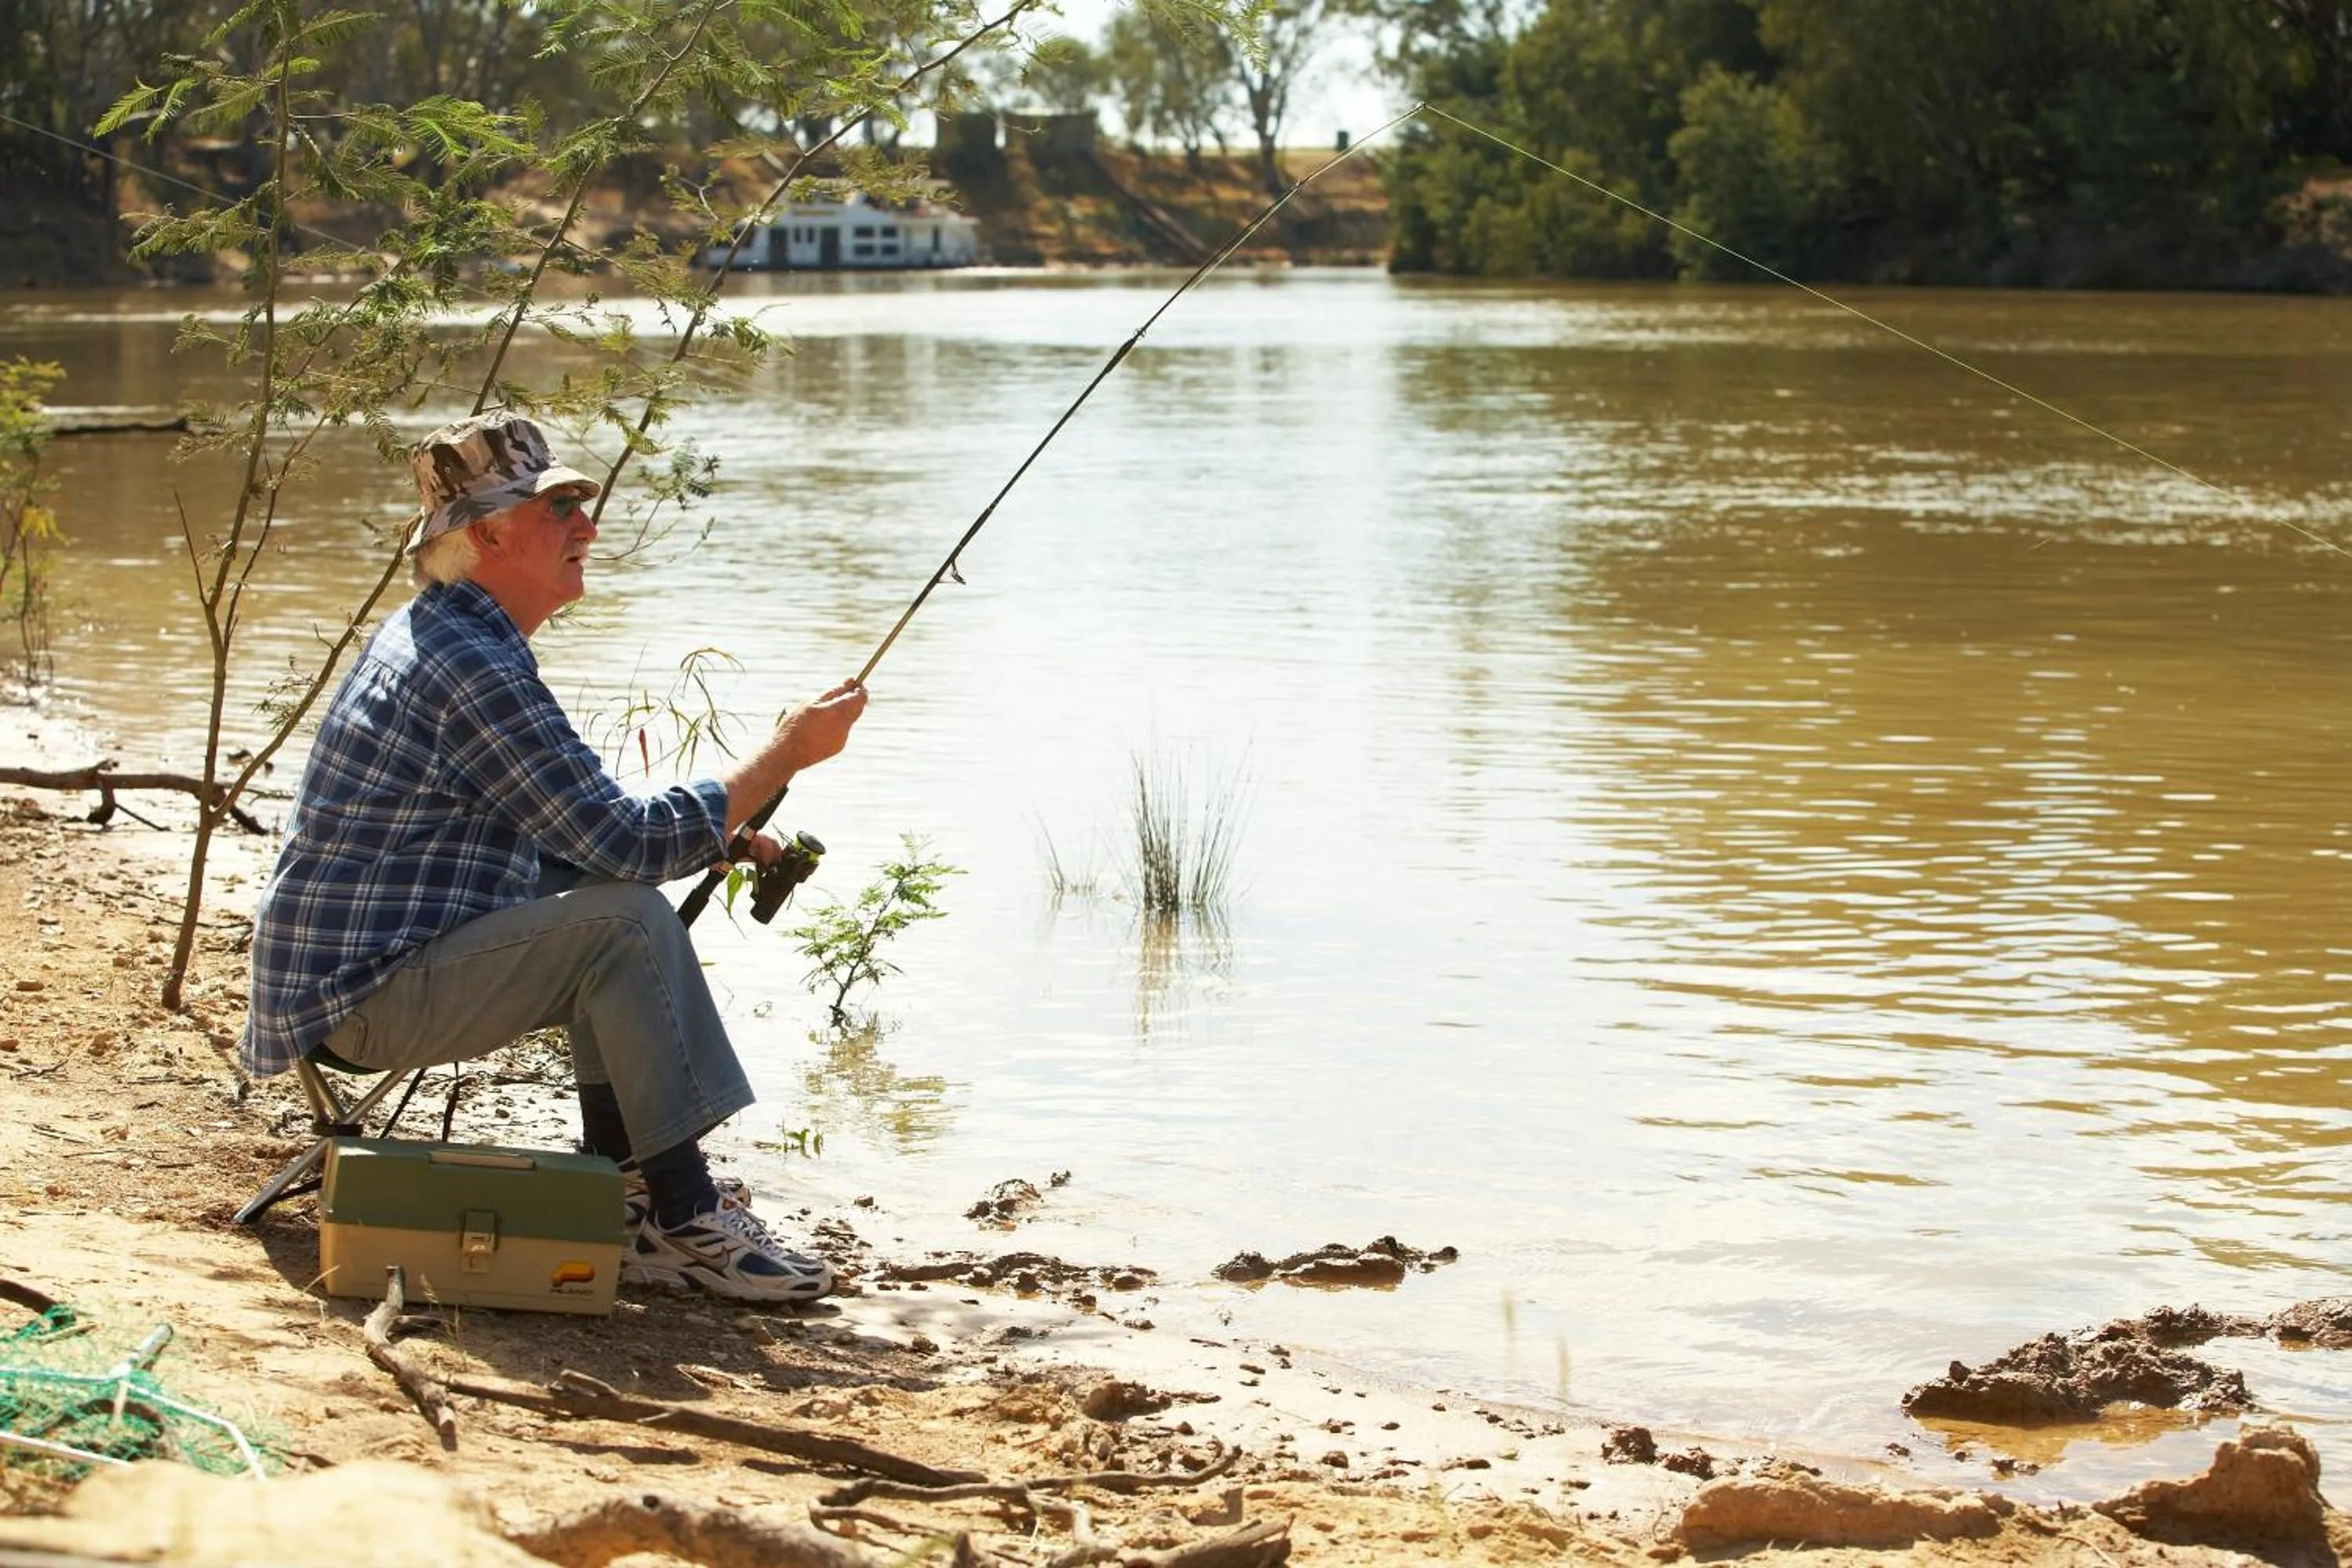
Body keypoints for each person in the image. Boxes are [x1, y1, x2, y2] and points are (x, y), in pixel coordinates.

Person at [240, 410, 866, 1304]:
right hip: (359, 1000)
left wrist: (711, 832)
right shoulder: (469, 662)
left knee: (614, 898)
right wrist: (784, 754)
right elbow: (621, 839)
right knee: (626, 921)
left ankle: (637, 1192)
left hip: (360, 971)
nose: (588, 525)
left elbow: (580, 828)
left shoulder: (457, 634)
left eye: (581, 500)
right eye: (559, 507)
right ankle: (685, 1215)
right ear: (487, 533)